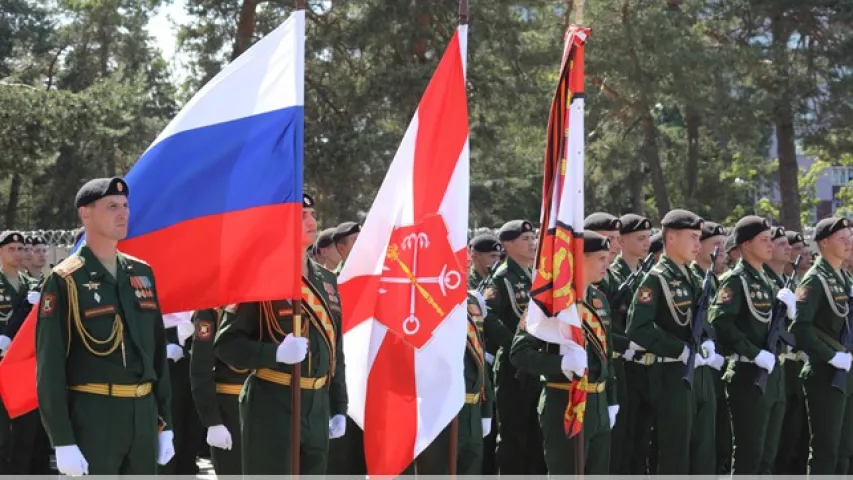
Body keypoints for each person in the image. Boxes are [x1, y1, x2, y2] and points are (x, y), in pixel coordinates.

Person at [36, 177, 174, 475]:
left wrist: (166, 422)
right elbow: (50, 367)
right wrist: (62, 440)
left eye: (125, 205)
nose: (123, 213)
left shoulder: (141, 272)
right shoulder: (65, 280)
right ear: (85, 214)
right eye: (112, 206)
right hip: (95, 416)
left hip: (143, 416)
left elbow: (157, 353)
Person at [215, 193, 347, 475]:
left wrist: (339, 405)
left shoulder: (327, 280)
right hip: (273, 403)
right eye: (302, 216)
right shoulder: (259, 274)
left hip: (317, 405)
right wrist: (274, 353)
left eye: (312, 214)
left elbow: (336, 349)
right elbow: (227, 345)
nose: (312, 221)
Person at [510, 231, 617, 474]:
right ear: (580, 259)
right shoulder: (549, 301)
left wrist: (611, 400)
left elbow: (607, 354)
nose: (607, 263)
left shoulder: (598, 298)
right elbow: (519, 352)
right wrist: (561, 363)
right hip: (564, 402)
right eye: (600, 258)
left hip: (597, 404)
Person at [626, 209, 717, 474]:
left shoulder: (693, 275)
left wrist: (708, 341)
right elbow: (638, 328)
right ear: (672, 238)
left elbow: (703, 317)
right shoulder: (656, 279)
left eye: (700, 238)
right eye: (693, 237)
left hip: (700, 372)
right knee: (676, 454)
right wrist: (679, 350)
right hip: (673, 373)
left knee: (704, 452)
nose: (698, 245)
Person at [708, 216, 791, 474]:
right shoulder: (736, 280)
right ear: (745, 245)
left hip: (773, 375)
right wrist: (753, 353)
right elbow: (719, 321)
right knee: (749, 455)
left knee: (768, 455)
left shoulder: (769, 280)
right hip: (748, 375)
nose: (770, 245)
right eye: (764, 240)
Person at [791, 217, 853, 475]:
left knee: (844, 450)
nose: (849, 242)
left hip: (846, 373)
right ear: (824, 243)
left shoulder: (842, 278)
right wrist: (830, 356)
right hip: (826, 374)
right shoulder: (815, 280)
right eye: (843, 238)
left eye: (850, 236)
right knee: (826, 451)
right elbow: (799, 328)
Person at [407, 292, 494, 474]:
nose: (468, 262)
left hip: (472, 411)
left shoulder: (471, 299)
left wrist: (486, 409)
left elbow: (480, 351)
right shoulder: (427, 294)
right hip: (441, 412)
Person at [483, 219, 545, 474]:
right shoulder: (502, 277)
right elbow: (488, 316)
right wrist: (515, 346)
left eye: (532, 239)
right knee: (514, 435)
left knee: (536, 434)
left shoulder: (535, 274)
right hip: (513, 368)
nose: (532, 244)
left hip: (535, 365)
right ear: (507, 244)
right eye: (525, 240)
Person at [607, 213, 651, 474]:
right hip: (623, 362)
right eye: (640, 238)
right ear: (621, 241)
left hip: (645, 363)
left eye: (648, 238)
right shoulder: (613, 275)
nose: (646, 243)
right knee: (624, 435)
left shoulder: (645, 274)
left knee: (641, 438)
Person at [189, 308, 248, 474]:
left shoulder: (265, 305)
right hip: (230, 410)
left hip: (267, 407)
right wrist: (213, 421)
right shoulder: (212, 309)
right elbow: (200, 368)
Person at [775, 230, 809, 474]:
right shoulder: (777, 284)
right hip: (782, 364)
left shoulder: (795, 285)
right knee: (781, 434)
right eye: (787, 246)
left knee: (797, 434)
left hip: (798, 364)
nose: (792, 252)